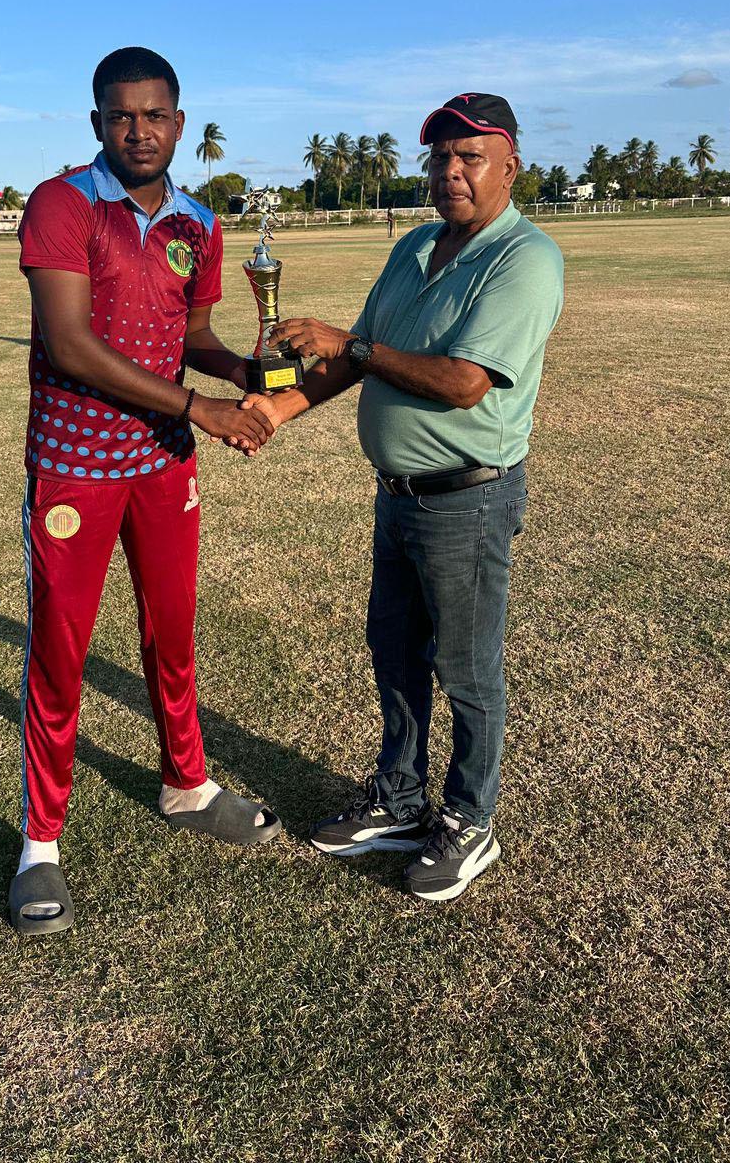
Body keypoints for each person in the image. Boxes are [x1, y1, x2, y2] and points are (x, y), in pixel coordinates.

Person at [260, 92, 563, 903]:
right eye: (439, 157)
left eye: (470, 157)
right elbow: (355, 360)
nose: (451, 172)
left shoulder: (524, 258)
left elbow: (464, 383)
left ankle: (469, 822)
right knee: (393, 652)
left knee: (465, 667)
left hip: (467, 500)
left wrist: (350, 342)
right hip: (397, 499)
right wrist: (275, 410)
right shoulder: (417, 246)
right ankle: (398, 799)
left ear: (510, 166)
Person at [9, 46, 281, 937]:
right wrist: (201, 406)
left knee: (173, 633)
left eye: (155, 115)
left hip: (164, 463)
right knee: (62, 648)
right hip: (77, 468)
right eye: (121, 116)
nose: (139, 130)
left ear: (179, 122)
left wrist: (247, 368)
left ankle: (186, 784)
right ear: (97, 124)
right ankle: (39, 845)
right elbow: (74, 343)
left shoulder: (198, 222)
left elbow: (190, 331)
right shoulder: (63, 204)